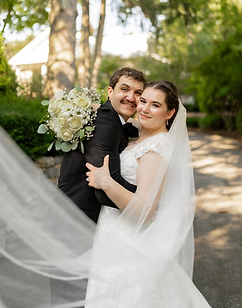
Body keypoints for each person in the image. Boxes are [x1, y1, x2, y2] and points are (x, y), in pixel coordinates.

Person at [84, 80, 212, 307]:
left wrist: (106, 183)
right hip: (115, 236)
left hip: (129, 244)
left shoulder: (154, 149)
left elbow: (145, 210)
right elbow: (128, 118)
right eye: (143, 101)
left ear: (170, 113)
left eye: (155, 105)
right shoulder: (145, 137)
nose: (144, 108)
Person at [58, 67, 146, 222]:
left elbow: (136, 128)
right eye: (124, 89)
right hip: (78, 218)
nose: (131, 97)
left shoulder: (111, 119)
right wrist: (150, 199)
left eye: (138, 93)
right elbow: (106, 188)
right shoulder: (105, 123)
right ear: (110, 92)